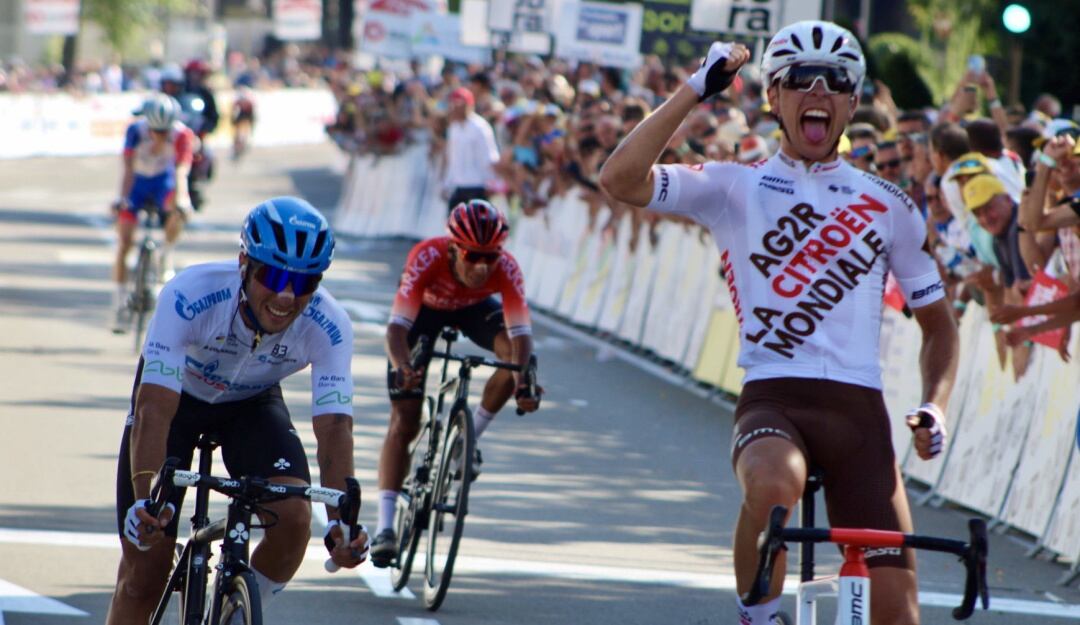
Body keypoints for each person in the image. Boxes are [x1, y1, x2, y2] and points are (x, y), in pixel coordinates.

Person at [598, 20, 959, 625]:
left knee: (898, 616)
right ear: (773, 97)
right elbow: (619, 179)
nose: (817, 91)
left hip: (859, 414)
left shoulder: (890, 206)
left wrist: (936, 406)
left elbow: (941, 327)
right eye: (798, 80)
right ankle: (758, 616)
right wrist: (696, 88)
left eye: (835, 81)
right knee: (772, 487)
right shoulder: (733, 186)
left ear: (850, 101)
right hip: (775, 398)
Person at [106, 197, 368, 624]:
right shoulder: (192, 294)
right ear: (244, 262)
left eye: (304, 283)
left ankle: (228, 611)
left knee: (295, 517)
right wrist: (146, 500)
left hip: (252, 404)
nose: (287, 295)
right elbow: (154, 407)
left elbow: (335, 426)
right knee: (144, 573)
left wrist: (343, 521)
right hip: (177, 400)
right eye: (275, 275)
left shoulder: (330, 325)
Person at [369, 199, 541, 567]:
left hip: (473, 311)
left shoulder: (507, 268)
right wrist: (403, 366)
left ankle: (468, 437)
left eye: (490, 257)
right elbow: (397, 328)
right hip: (424, 315)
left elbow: (521, 333)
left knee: (516, 359)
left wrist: (524, 381)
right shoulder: (426, 256)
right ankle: (385, 525)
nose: (481, 267)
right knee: (405, 420)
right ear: (452, 248)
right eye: (472, 256)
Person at [111, 93, 195, 333]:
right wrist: (122, 199)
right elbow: (127, 169)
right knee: (124, 243)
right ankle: (118, 303)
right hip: (137, 184)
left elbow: (181, 172)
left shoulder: (182, 135)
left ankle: (165, 255)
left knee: (177, 212)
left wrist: (183, 200)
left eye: (164, 130)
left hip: (163, 184)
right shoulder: (135, 131)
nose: (159, 135)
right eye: (155, 130)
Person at [442, 87, 500, 213]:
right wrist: (446, 183)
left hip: (477, 185)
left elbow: (489, 156)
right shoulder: (454, 128)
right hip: (459, 185)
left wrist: (491, 182)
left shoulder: (480, 127)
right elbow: (452, 157)